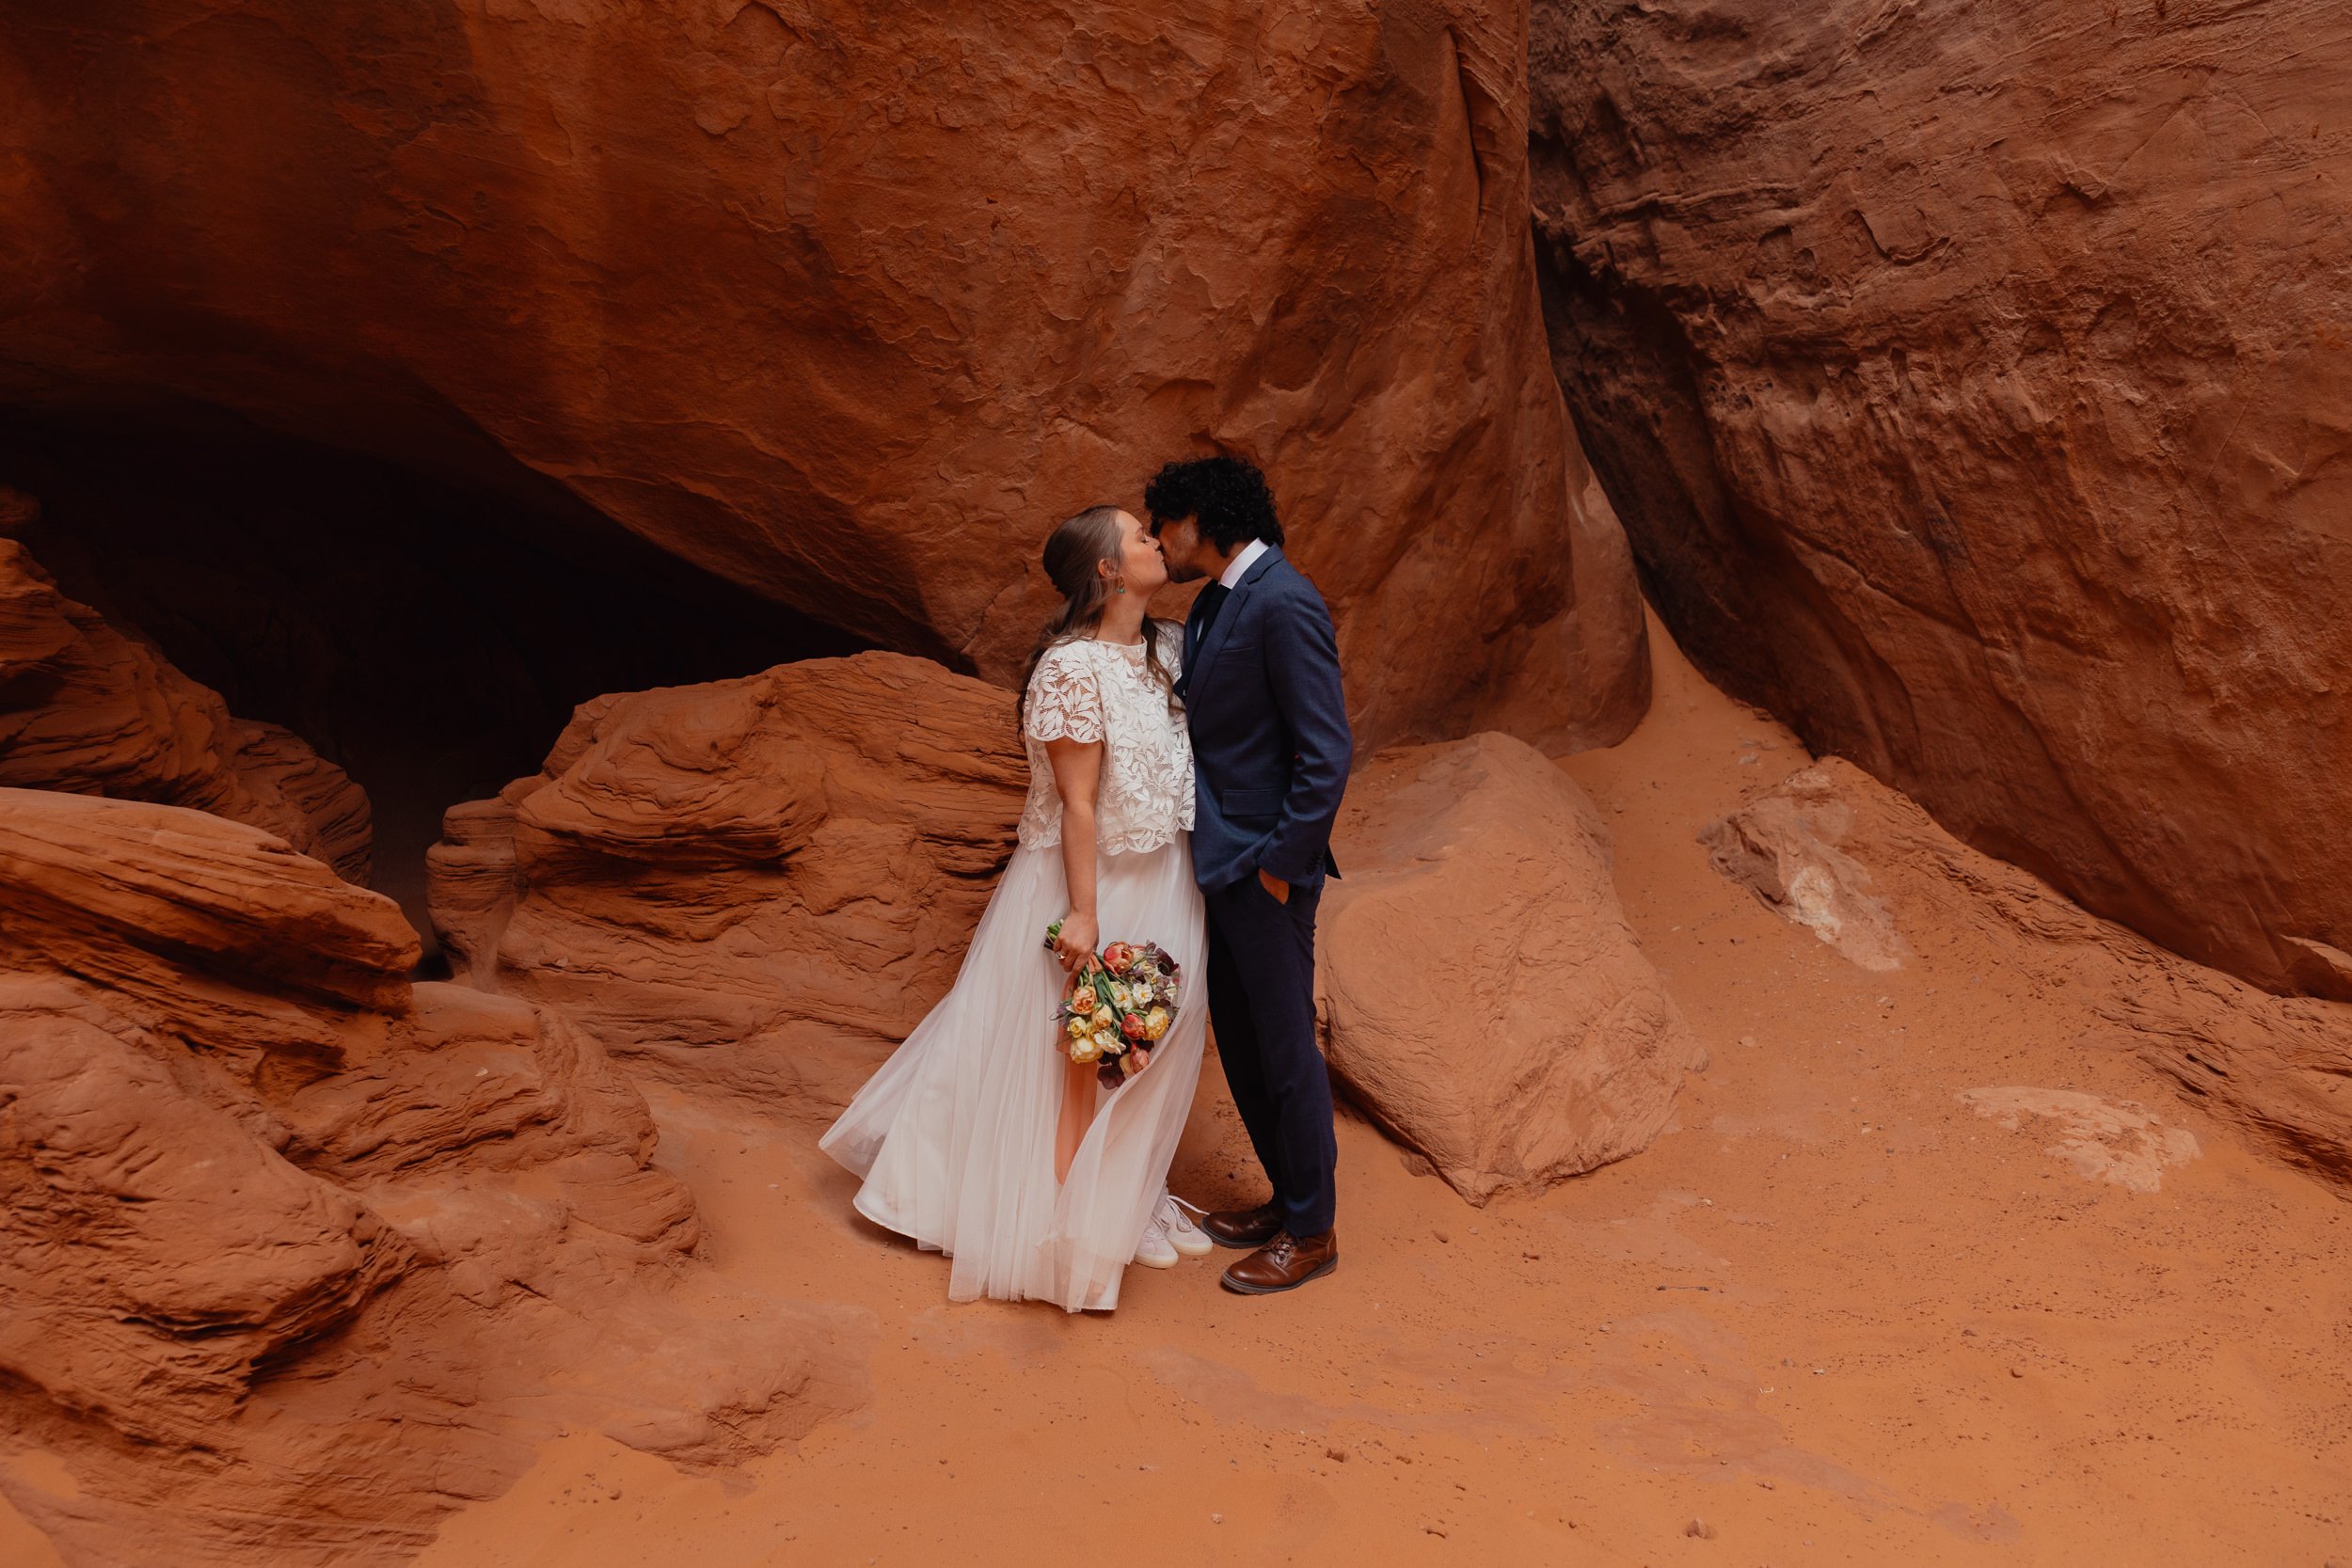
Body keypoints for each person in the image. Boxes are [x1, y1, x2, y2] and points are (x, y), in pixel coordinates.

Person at [820, 506, 1214, 1310]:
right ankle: (1063, 1209)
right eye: (1139, 536)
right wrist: (1082, 912)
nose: (1155, 542)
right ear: (1106, 570)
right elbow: (1076, 805)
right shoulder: (1070, 670)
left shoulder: (1170, 650)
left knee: (1152, 1038)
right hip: (1093, 876)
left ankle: (1132, 1191)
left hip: (1166, 870)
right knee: (1076, 1044)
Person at [1145, 455, 1351, 1295]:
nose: (1159, 539)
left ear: (1200, 516)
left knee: (1285, 1046)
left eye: (1164, 522)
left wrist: (1278, 866)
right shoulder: (1213, 600)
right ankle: (1285, 1197)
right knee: (1241, 1036)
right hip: (1216, 862)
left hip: (1263, 867)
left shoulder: (1286, 600)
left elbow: (1326, 751)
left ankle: (1313, 1231)